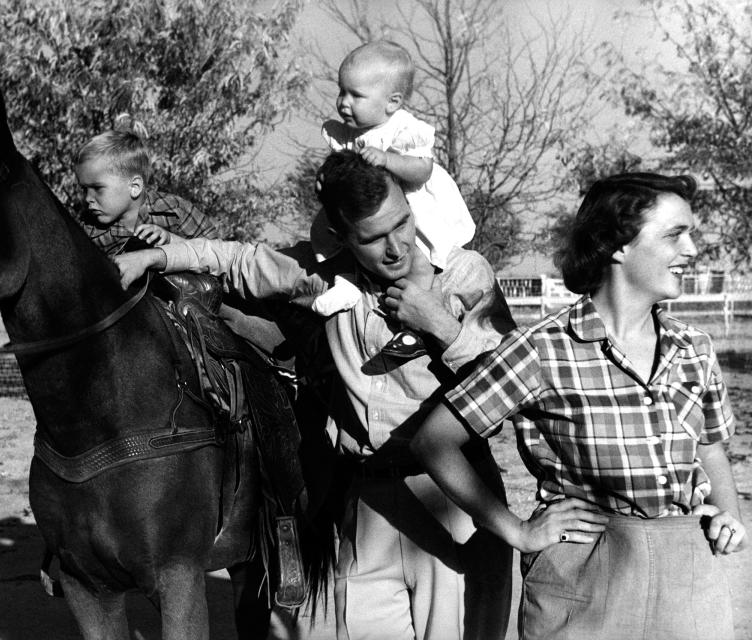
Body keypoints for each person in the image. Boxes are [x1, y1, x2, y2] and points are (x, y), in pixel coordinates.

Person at [115, 150, 514, 640]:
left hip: (453, 497)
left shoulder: (466, 274)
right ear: (344, 238)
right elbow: (238, 258)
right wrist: (155, 255)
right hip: (366, 501)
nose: (396, 248)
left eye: (401, 224)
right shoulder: (328, 279)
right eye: (373, 238)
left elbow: (509, 389)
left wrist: (441, 325)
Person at [411, 172, 746, 639]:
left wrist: (729, 513)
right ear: (617, 244)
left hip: (689, 575)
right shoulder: (539, 349)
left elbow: (710, 448)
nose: (692, 250)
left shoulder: (695, 348)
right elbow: (434, 441)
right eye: (675, 234)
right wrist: (516, 531)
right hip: (584, 575)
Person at [310, 40, 476, 361]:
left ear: (392, 102)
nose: (344, 103)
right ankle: (347, 287)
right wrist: (327, 178)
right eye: (341, 92)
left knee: (420, 258)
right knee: (341, 238)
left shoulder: (403, 129)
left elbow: (422, 169)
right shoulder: (346, 134)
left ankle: (414, 329)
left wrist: (387, 160)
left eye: (355, 95)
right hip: (371, 208)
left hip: (410, 203)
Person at [74, 128, 218, 256]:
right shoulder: (86, 230)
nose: (88, 198)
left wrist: (172, 241)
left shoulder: (174, 210)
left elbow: (218, 254)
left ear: (135, 187)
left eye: (98, 188)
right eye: (84, 189)